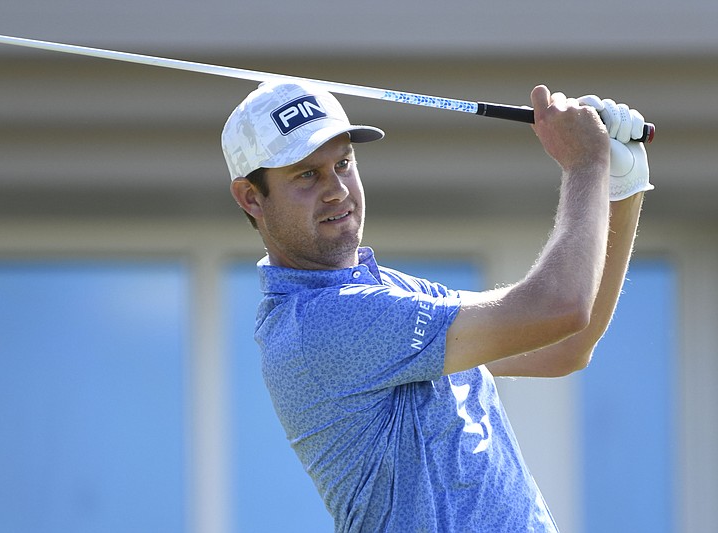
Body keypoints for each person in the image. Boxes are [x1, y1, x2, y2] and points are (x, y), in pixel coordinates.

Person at [222, 80, 652, 532]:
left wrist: (621, 188)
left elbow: (565, 345)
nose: (337, 191)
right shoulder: (318, 323)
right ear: (252, 198)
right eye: (307, 175)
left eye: (343, 164)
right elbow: (558, 306)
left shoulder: (388, 292)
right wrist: (586, 164)